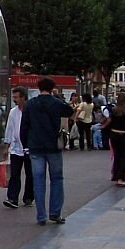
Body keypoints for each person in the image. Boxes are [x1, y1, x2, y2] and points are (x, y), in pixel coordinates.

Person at [20, 77, 73, 226]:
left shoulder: (31, 104)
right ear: (52, 88)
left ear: (38, 87)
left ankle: (41, 215)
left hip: (35, 146)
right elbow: (69, 111)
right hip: (53, 146)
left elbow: (24, 127)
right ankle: (55, 213)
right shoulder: (56, 103)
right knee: (57, 179)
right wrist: (56, 97)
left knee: (38, 180)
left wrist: (26, 145)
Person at [3, 86, 33, 209]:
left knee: (30, 174)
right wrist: (7, 146)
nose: (14, 99)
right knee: (14, 174)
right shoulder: (13, 112)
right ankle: (12, 198)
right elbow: (9, 129)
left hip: (29, 148)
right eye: (13, 97)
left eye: (16, 97)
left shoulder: (31, 111)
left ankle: (28, 197)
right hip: (16, 148)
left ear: (23, 97)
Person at [104, 92, 125, 187]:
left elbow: (109, 122)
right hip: (124, 135)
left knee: (116, 156)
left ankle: (116, 175)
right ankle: (121, 178)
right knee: (124, 157)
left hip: (114, 134)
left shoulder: (113, 110)